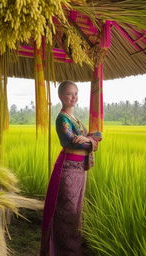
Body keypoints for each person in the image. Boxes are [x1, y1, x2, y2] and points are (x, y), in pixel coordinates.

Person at [40, 80, 102, 256]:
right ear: (61, 96)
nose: (73, 97)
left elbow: (96, 136)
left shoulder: (75, 119)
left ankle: (72, 249)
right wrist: (91, 140)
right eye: (69, 94)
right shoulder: (62, 118)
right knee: (67, 212)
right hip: (68, 169)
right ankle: (64, 251)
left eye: (76, 93)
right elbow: (70, 141)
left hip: (79, 170)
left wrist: (89, 138)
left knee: (76, 211)